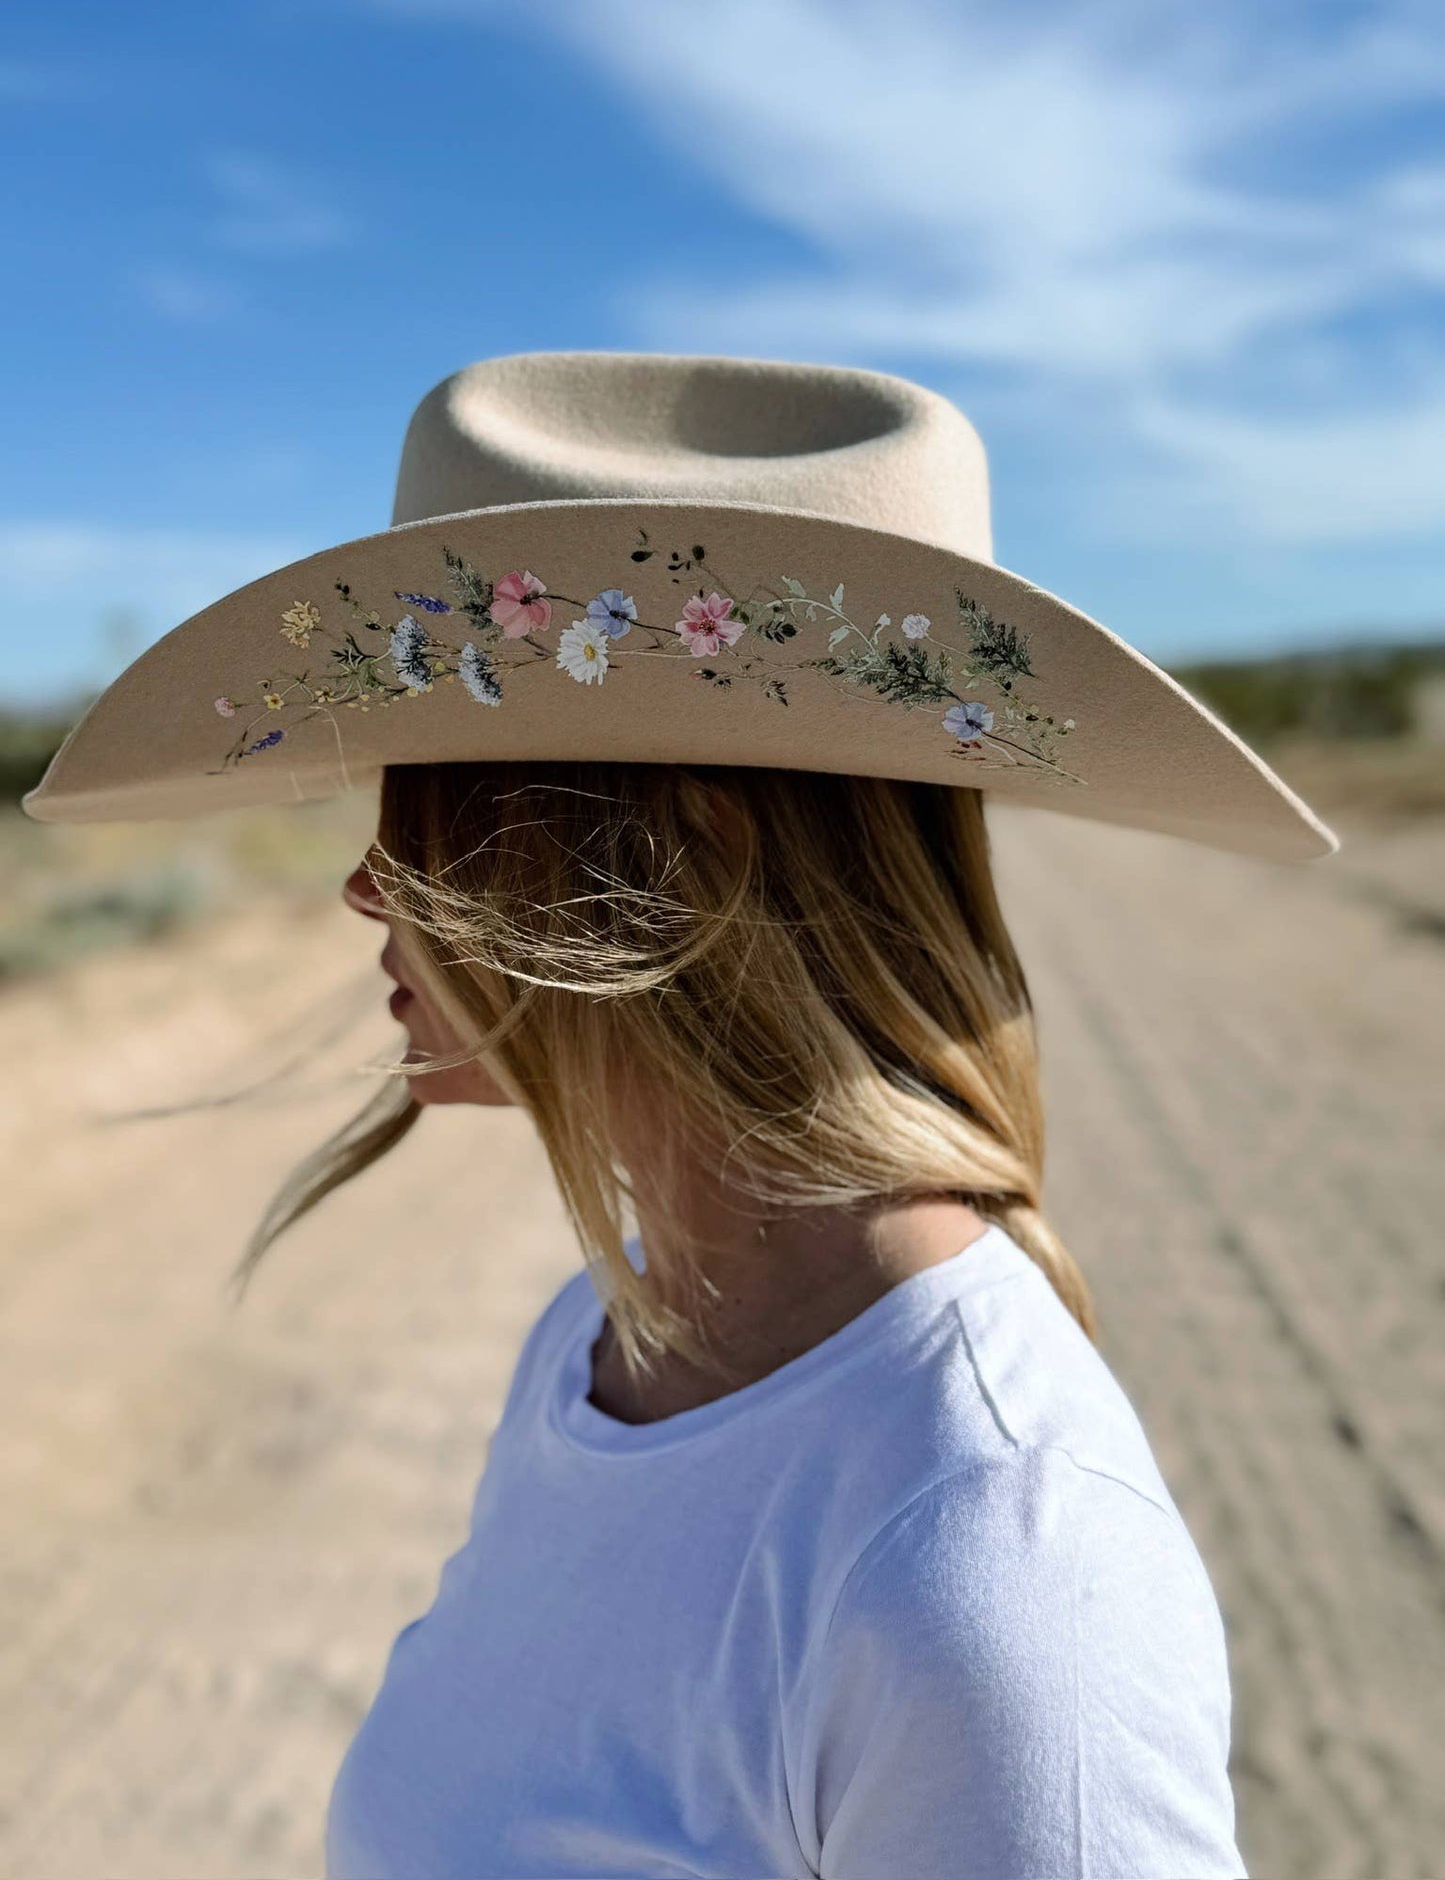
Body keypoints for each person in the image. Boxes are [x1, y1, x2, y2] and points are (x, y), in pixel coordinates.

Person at [24, 351, 1338, 1876]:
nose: (365, 885)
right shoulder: (606, 1345)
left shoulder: (996, 1570)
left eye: (427, 804)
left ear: (682, 860)